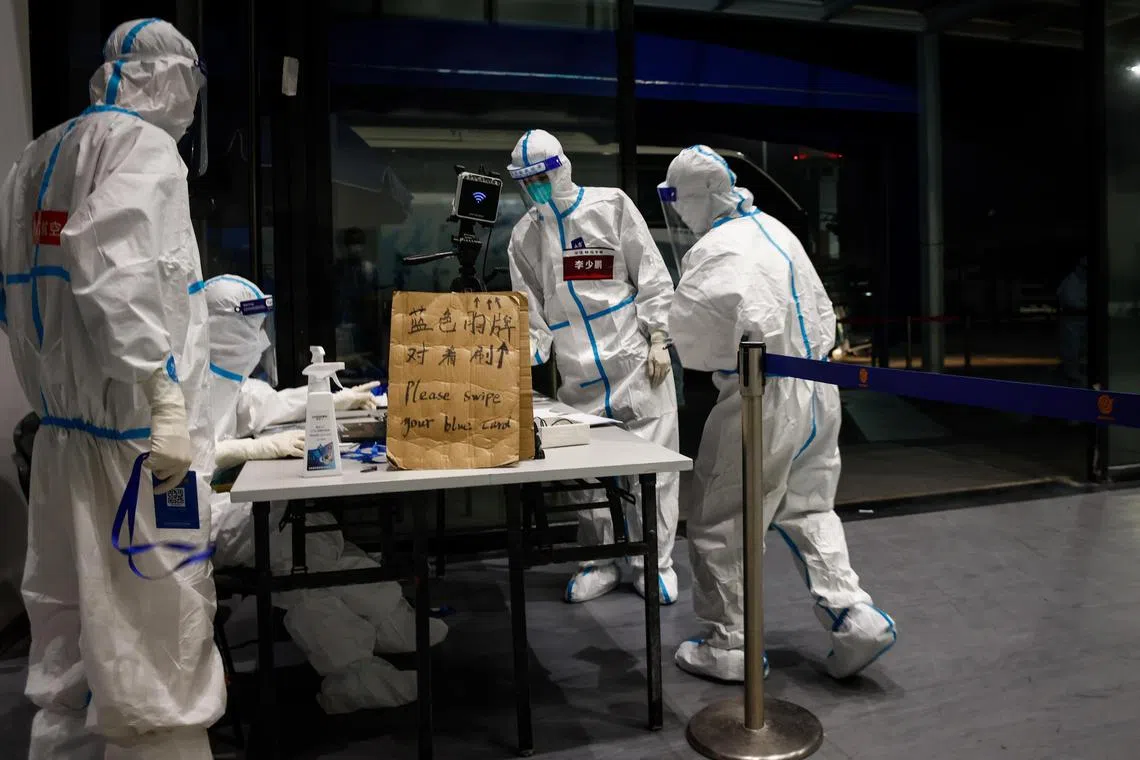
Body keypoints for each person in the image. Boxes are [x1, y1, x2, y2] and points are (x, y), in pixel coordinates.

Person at [0, 19, 224, 758]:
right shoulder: (143, 148)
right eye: (187, 83)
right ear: (168, 79)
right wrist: (160, 393)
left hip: (64, 432)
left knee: (65, 623)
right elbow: (112, 259)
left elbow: (19, 287)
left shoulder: (37, 156)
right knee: (159, 615)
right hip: (135, 437)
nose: (189, 103)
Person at [660, 146, 896, 682]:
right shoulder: (775, 228)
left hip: (758, 396)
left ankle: (730, 644)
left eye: (677, 200)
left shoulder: (718, 247)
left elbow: (697, 344)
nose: (678, 214)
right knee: (809, 509)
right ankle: (853, 618)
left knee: (723, 518)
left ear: (693, 197)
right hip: (818, 388)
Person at [204, 274, 448, 713]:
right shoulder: (185, 383)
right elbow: (170, 456)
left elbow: (271, 403)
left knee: (313, 534)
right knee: (297, 559)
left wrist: (336, 399)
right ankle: (354, 673)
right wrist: (249, 448)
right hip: (197, 525)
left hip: (228, 508)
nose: (258, 335)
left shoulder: (223, 378)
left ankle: (392, 626)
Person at [505, 129, 681, 604]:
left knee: (655, 473)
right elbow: (529, 311)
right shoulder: (525, 235)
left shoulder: (611, 206)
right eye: (527, 181)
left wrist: (660, 338)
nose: (537, 187)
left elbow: (652, 274)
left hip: (636, 365)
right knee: (587, 479)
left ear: (562, 167)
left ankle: (654, 562)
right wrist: (525, 361)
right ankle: (602, 560)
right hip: (578, 373)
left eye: (543, 175)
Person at [1057, 256, 1087, 387]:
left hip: (1080, 320)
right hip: (1072, 320)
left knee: (1078, 349)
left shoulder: (1082, 281)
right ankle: (1072, 376)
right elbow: (1071, 303)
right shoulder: (1071, 282)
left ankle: (1074, 375)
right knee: (1071, 349)